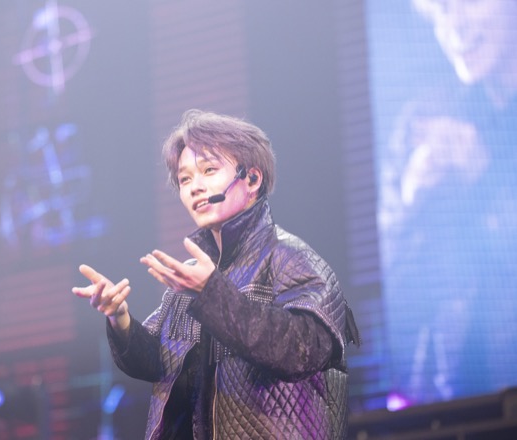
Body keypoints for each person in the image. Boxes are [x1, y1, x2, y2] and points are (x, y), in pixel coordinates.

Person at [72, 109, 360, 439]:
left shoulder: (291, 259)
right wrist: (119, 317)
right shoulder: (192, 279)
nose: (195, 187)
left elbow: (301, 352)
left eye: (209, 170)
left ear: (252, 179)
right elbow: (156, 363)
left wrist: (211, 292)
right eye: (185, 179)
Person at [379, 0, 517, 405]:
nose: (454, 24)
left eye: (468, 1)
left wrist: (482, 176)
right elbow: (388, 292)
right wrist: (411, 199)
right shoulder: (422, 121)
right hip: (452, 396)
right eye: (440, 9)